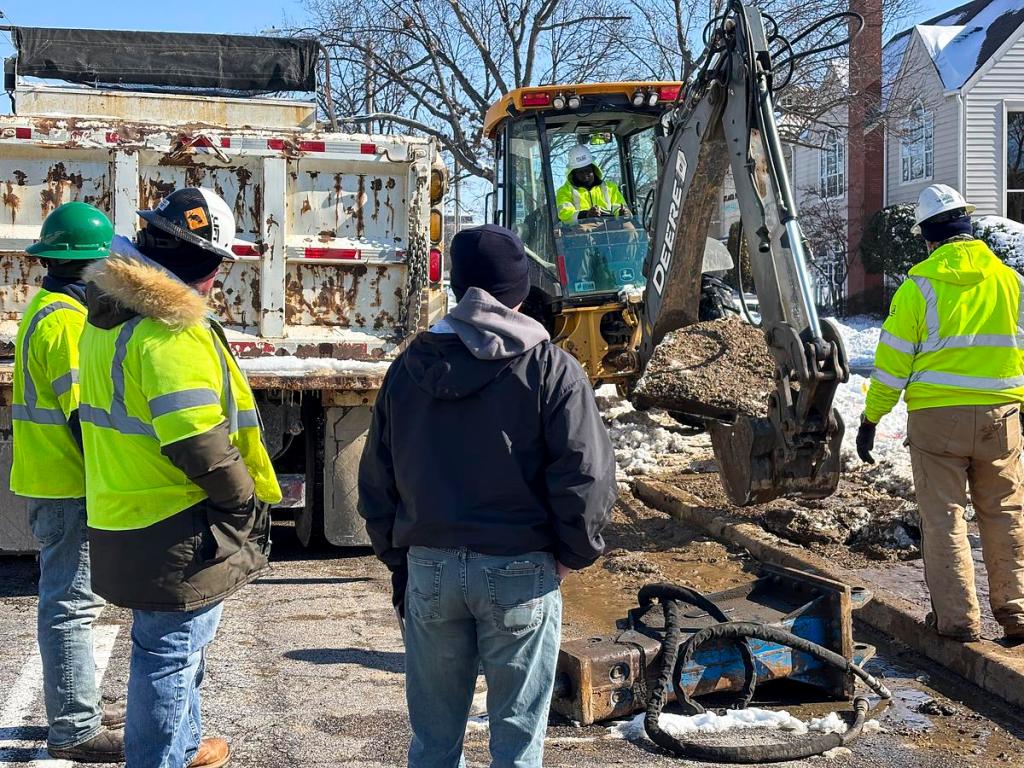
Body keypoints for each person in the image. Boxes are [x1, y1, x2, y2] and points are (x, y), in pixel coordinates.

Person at [359, 224, 617, 768]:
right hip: (521, 571)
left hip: (429, 568)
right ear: (519, 290)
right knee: (517, 746)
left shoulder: (408, 368)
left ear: (458, 288)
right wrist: (572, 555)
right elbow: (586, 476)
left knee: (432, 743)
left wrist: (400, 557)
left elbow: (377, 479)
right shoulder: (552, 369)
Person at [79, 187, 282, 768]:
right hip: (175, 520)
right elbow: (200, 444)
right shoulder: (170, 332)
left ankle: (185, 746)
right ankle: (161, 757)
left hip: (125, 506)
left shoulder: (106, 318)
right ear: (208, 266)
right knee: (168, 653)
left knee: (171, 647)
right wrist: (243, 503)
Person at [858, 183, 1024, 646]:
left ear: (928, 237)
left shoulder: (919, 287)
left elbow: (892, 365)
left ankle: (957, 622)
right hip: (1000, 417)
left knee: (945, 518)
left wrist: (871, 419)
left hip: (937, 421)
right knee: (1006, 512)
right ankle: (1017, 612)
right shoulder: (1011, 281)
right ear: (968, 228)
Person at [10, 202, 125, 762]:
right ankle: (76, 727)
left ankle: (77, 700)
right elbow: (88, 419)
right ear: (89, 266)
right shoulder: (66, 323)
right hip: (68, 482)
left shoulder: (46, 308)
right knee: (71, 604)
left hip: (53, 476)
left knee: (72, 600)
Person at [555, 145, 630, 225]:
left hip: (610, 224)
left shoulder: (610, 187)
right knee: (583, 230)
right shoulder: (564, 191)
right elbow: (564, 214)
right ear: (573, 173)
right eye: (580, 172)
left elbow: (619, 206)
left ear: (594, 169)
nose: (585, 175)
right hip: (582, 226)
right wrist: (585, 215)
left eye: (587, 170)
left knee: (629, 229)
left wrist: (621, 213)